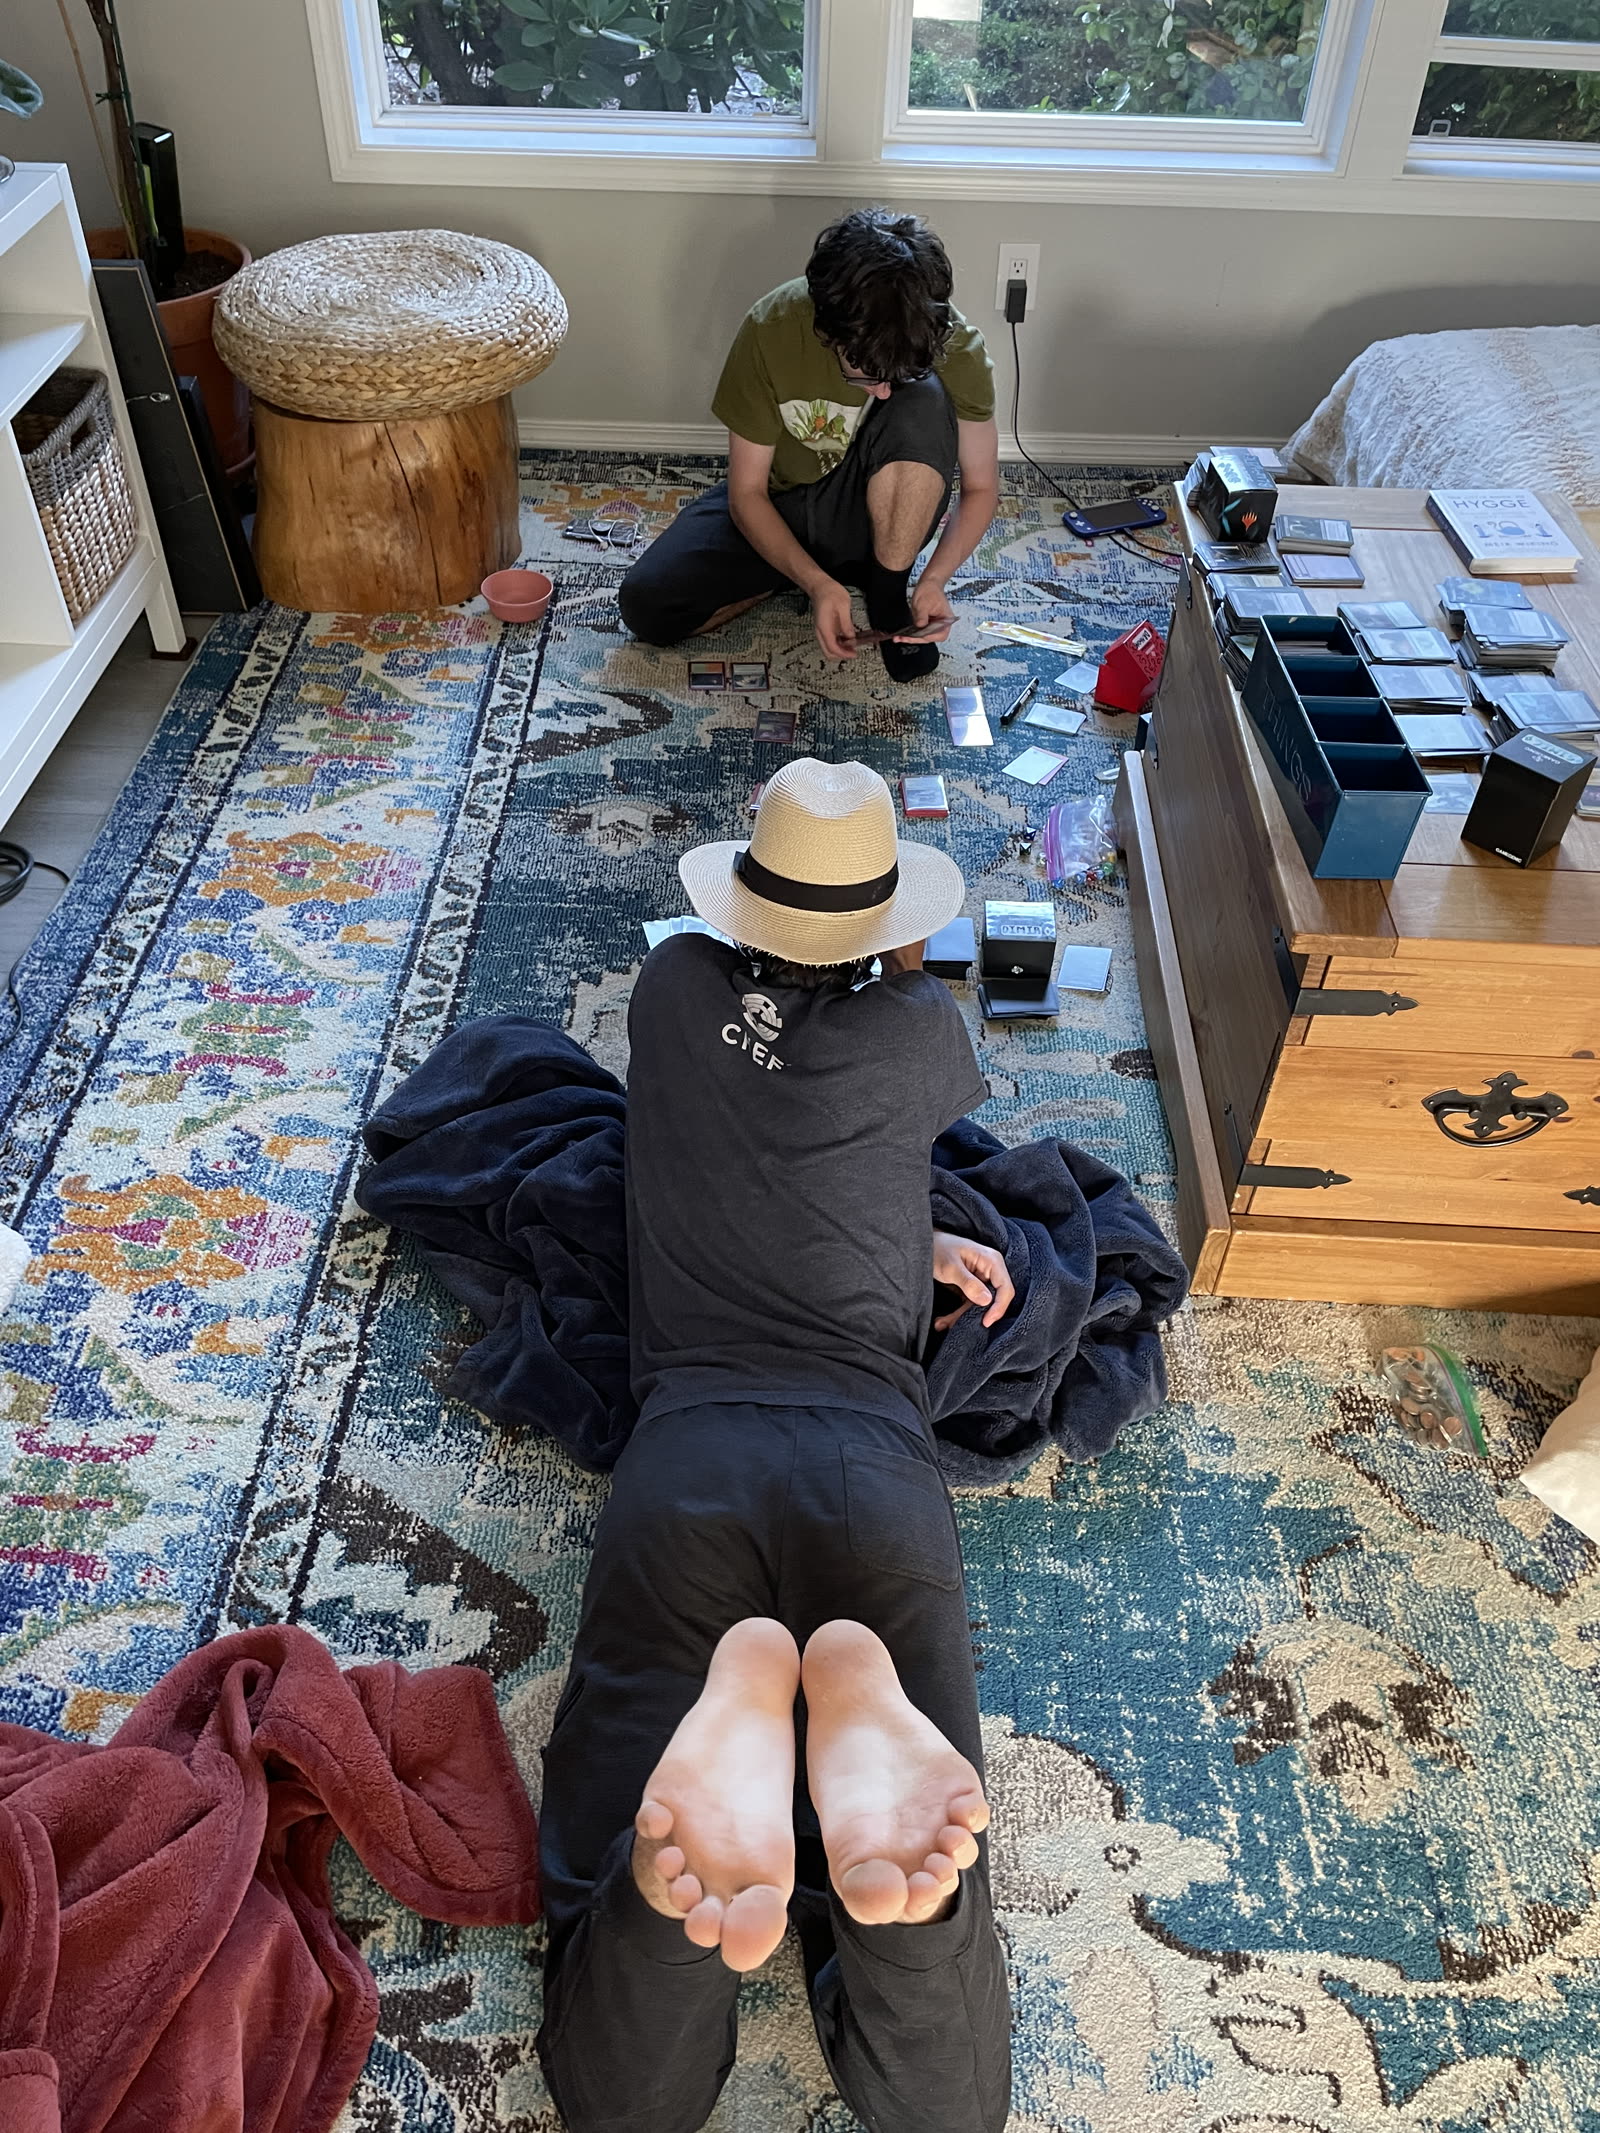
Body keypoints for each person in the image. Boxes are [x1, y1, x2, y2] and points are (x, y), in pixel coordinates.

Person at [536, 759, 1015, 2133]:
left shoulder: (670, 985)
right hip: (873, 1464)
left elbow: (753, 1119)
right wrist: (915, 1241)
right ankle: (896, 1882)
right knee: (952, 2118)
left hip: (687, 1454)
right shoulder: (919, 1026)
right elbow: (869, 1104)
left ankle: (670, 1886)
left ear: (742, 896)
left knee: (620, 2111)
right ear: (886, 925)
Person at [617, 209, 1001, 684]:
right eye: (865, 375)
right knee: (648, 607)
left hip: (883, 511)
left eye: (896, 376)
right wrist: (815, 583)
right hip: (786, 503)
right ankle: (797, 571)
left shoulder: (952, 342)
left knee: (923, 396)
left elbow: (981, 488)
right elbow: (747, 493)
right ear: (828, 331)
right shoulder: (772, 327)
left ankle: (886, 588)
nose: (883, 391)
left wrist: (935, 579)